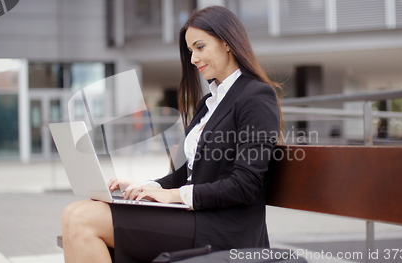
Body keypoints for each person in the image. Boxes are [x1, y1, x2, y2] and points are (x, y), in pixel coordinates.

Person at [61, 5, 284, 263]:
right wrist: (147, 188)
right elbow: (184, 174)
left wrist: (174, 196)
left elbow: (245, 186)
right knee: (73, 212)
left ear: (226, 43)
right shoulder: (209, 103)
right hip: (195, 217)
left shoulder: (255, 97)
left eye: (200, 48)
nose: (193, 59)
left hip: (225, 230)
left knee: (83, 220)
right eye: (191, 51)